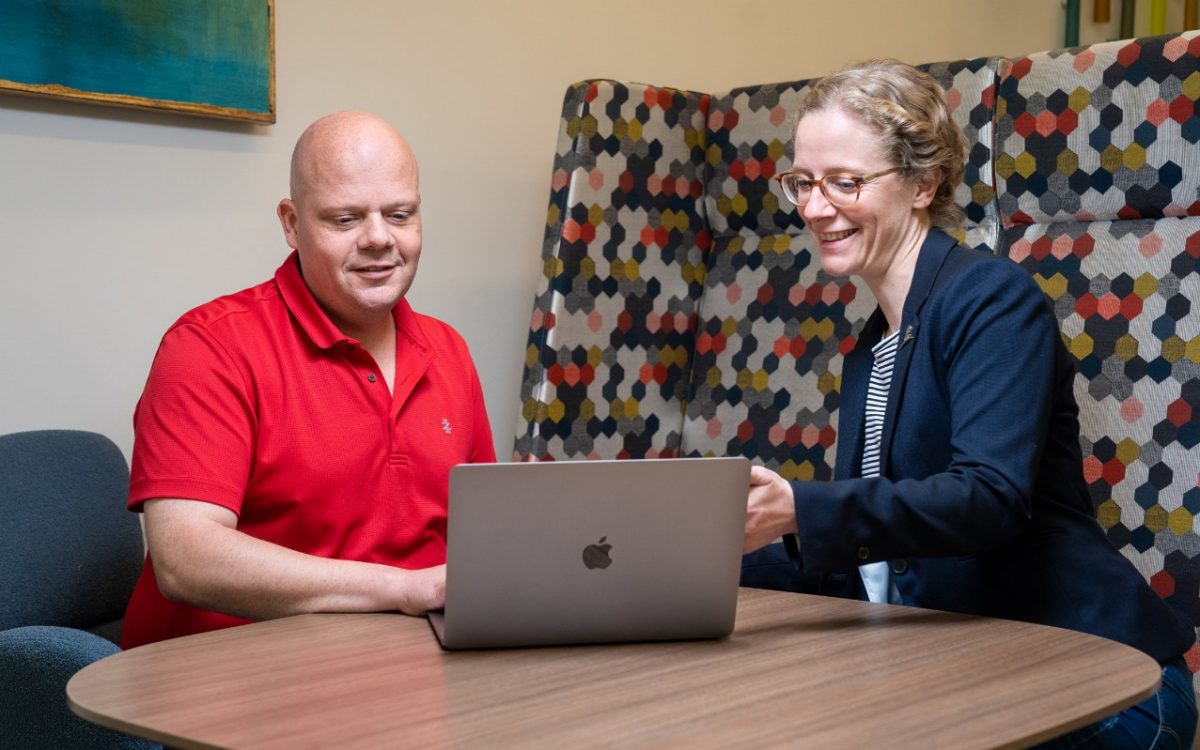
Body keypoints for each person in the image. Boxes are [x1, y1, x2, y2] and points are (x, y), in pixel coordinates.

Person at [745, 60, 1197, 748]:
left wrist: (802, 509)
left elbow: (989, 498)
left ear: (923, 184)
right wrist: (706, 547)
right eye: (802, 183)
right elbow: (881, 562)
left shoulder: (991, 299)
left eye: (844, 181)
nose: (813, 207)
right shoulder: (875, 347)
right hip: (980, 674)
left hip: (1103, 683)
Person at [121, 111, 495, 649]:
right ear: (291, 224)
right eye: (345, 220)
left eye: (399, 214)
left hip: (406, 667)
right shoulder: (209, 347)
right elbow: (186, 560)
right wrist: (404, 589)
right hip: (229, 680)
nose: (378, 239)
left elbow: (483, 535)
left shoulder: (449, 349)